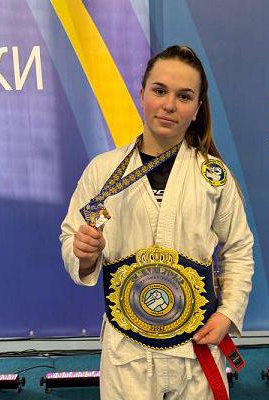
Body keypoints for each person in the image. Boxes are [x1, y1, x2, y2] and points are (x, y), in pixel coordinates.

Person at [60, 45, 254, 400]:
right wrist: (84, 253)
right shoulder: (103, 172)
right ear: (142, 94)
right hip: (127, 353)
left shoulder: (213, 176)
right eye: (160, 91)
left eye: (184, 96)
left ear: (197, 108)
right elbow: (72, 239)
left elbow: (239, 249)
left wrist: (227, 313)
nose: (169, 105)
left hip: (195, 348)